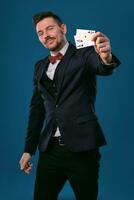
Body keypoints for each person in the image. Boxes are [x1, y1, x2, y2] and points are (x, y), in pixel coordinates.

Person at [19, 11, 121, 200]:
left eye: (49, 28)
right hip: (49, 150)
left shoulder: (85, 53)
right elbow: (37, 110)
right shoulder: (39, 66)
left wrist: (106, 57)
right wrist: (28, 149)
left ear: (63, 28)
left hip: (82, 148)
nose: (45, 35)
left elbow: (101, 65)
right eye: (40, 33)